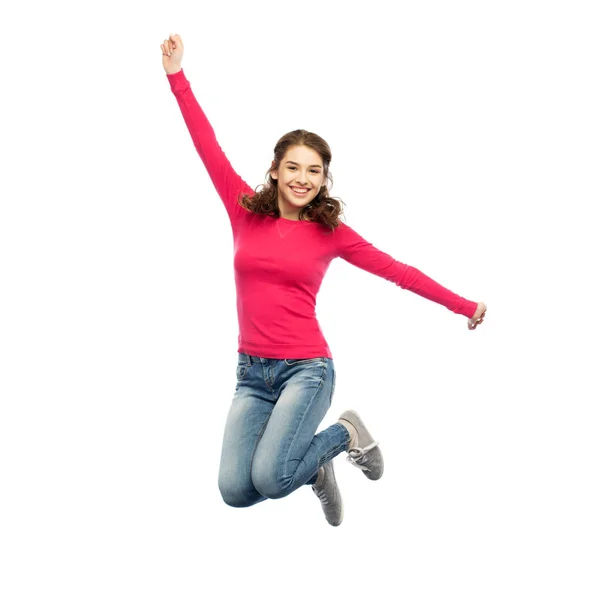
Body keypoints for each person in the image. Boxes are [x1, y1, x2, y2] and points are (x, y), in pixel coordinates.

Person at [160, 33, 487, 527]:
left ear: (322, 179)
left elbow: (398, 272)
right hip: (251, 373)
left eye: (314, 171)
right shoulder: (244, 210)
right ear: (274, 171)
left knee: (272, 480)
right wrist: (176, 77)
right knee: (235, 491)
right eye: (292, 167)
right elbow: (206, 142)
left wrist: (463, 305)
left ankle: (345, 435)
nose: (302, 178)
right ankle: (316, 468)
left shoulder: (330, 233)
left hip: (305, 371)